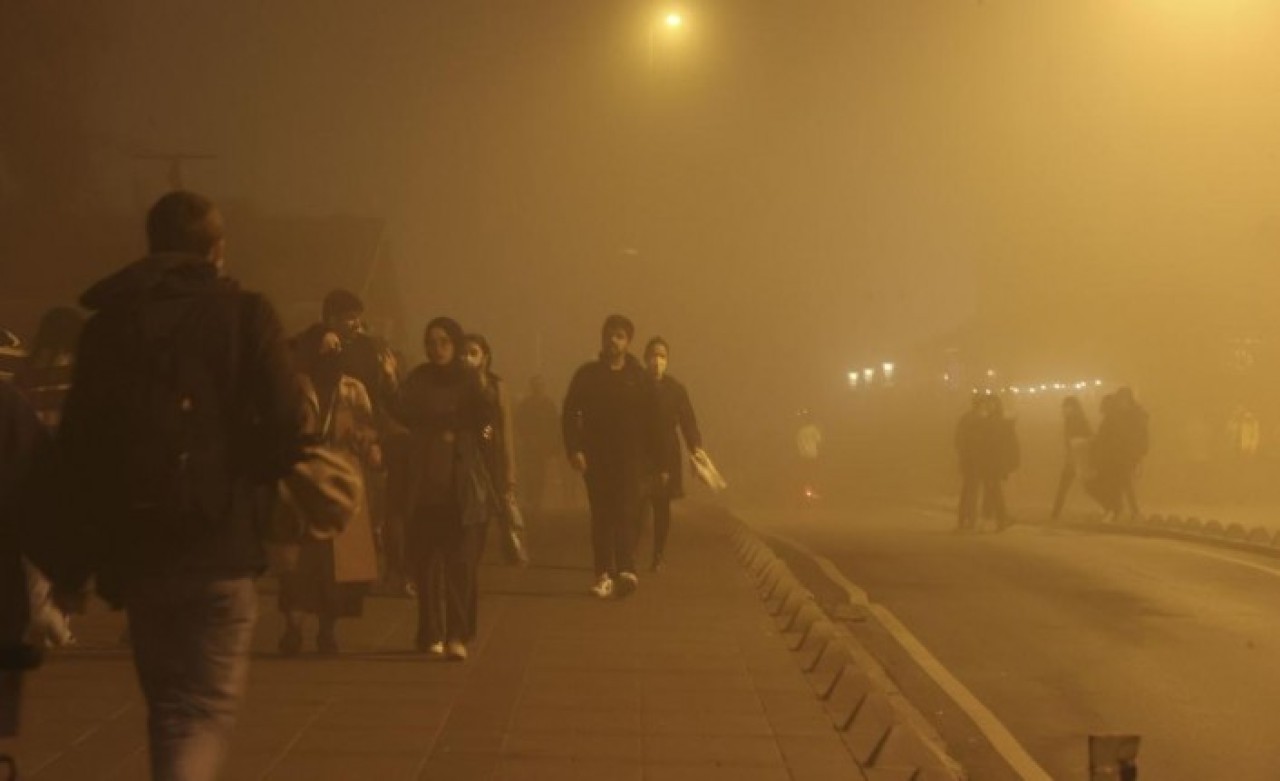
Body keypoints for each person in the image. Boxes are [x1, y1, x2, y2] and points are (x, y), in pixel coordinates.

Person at [41, 191, 304, 781]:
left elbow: (80, 449)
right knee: (203, 711)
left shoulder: (108, 327)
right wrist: (254, 480)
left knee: (169, 710)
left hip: (142, 552)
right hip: (222, 544)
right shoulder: (247, 315)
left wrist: (71, 568)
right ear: (217, 249)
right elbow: (287, 421)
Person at [391, 317, 490, 661]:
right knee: (427, 566)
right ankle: (431, 631)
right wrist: (389, 381)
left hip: (459, 486)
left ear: (456, 343)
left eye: (444, 342)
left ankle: (457, 634)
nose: (437, 349)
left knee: (460, 566)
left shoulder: (469, 380)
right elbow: (402, 412)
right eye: (431, 342)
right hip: (424, 483)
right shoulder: (419, 378)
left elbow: (485, 418)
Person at [277, 331, 380, 655]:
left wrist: (362, 438)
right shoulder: (294, 386)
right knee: (297, 564)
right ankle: (293, 629)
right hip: (302, 482)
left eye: (337, 347)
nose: (334, 351)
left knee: (335, 568)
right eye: (327, 346)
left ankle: (327, 631)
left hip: (338, 483)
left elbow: (369, 427)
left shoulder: (353, 388)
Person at [293, 289, 403, 592]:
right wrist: (320, 337)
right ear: (331, 319)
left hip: (361, 432)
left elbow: (386, 396)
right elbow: (294, 357)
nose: (356, 324)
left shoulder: (370, 348)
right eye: (349, 318)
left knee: (362, 508)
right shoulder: (316, 341)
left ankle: (356, 577)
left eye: (358, 318)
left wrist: (390, 379)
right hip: (323, 435)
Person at [562, 314, 661, 599]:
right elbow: (569, 413)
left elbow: (654, 421)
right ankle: (604, 573)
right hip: (596, 458)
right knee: (602, 515)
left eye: (619, 336)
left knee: (627, 513)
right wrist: (574, 449)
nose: (613, 341)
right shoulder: (587, 375)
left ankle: (626, 569)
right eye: (609, 335)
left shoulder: (639, 378)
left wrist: (655, 460)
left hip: (631, 460)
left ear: (628, 342)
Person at [12, 306, 85, 648]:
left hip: (30, 468)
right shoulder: (79, 372)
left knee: (33, 551)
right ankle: (59, 620)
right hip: (69, 470)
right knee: (65, 546)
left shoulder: (26, 372)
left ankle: (42, 615)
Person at [462, 334, 527, 565]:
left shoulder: (496, 386)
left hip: (491, 456)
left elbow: (501, 426)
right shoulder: (456, 384)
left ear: (485, 357)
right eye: (463, 353)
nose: (467, 358)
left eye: (473, 353)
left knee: (494, 511)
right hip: (463, 457)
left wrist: (510, 472)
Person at [643, 337, 703, 572]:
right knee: (634, 507)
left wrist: (695, 448)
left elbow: (688, 421)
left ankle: (658, 554)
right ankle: (628, 555)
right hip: (640, 454)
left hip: (667, 455)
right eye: (653, 355)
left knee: (661, 507)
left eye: (662, 356)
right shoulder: (635, 385)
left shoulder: (676, 389)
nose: (657, 361)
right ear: (645, 358)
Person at [515, 376, 560, 521]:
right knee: (529, 473)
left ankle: (536, 501)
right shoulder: (525, 405)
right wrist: (525, 438)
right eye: (536, 385)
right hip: (529, 445)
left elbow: (555, 425)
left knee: (540, 473)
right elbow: (519, 423)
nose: (538, 388)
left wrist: (553, 446)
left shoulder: (548, 405)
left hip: (542, 446)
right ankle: (531, 499)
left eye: (540, 386)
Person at [1051, 396, 1093, 521]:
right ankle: (1055, 513)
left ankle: (1055, 513)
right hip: (1074, 459)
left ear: (1074, 408)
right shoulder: (1071, 421)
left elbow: (1089, 437)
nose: (1065, 409)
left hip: (1078, 458)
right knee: (1067, 485)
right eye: (1065, 407)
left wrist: (1077, 443)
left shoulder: (1077, 421)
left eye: (1067, 406)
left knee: (1068, 486)